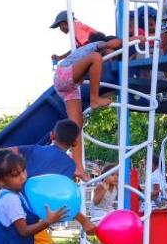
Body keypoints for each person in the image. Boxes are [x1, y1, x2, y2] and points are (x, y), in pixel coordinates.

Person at [52, 33, 123, 173]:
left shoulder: (82, 55)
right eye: (111, 55)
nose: (111, 58)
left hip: (69, 86)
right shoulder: (94, 47)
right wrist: (129, 40)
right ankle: (94, 98)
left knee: (76, 127)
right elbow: (109, 45)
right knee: (96, 58)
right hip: (64, 76)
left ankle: (78, 167)